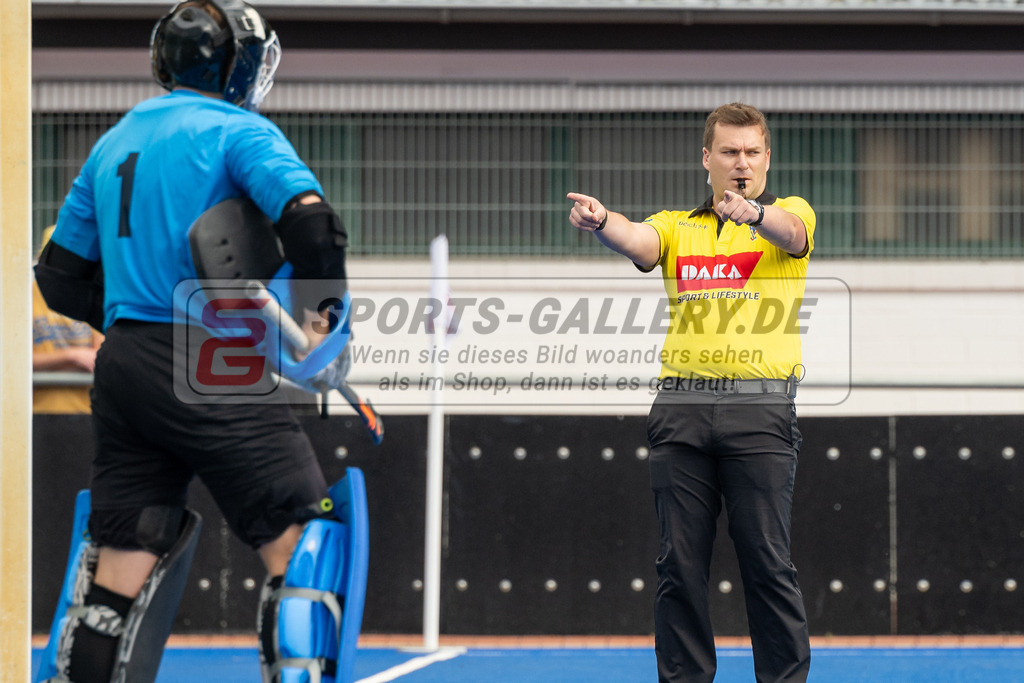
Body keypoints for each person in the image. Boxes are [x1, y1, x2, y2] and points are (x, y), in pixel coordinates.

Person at [34, 2, 361, 681]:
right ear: (237, 67)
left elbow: (59, 278)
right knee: (305, 539)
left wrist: (141, 319)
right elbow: (313, 227)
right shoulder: (239, 131)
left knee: (123, 560)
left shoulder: (114, 140)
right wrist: (326, 321)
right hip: (210, 360)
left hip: (122, 366)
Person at [568, 102, 814, 683]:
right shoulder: (680, 225)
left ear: (767, 159)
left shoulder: (787, 216)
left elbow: (795, 233)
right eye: (729, 152)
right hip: (681, 409)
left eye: (753, 152)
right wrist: (605, 221)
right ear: (707, 159)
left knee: (768, 566)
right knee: (678, 566)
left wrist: (754, 214)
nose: (741, 163)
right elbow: (641, 242)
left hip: (760, 411)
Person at [33, 227, 104, 414]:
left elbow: (98, 357)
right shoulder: (25, 299)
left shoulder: (93, 294)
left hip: (86, 409)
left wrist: (48, 363)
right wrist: (73, 356)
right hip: (38, 411)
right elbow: (18, 361)